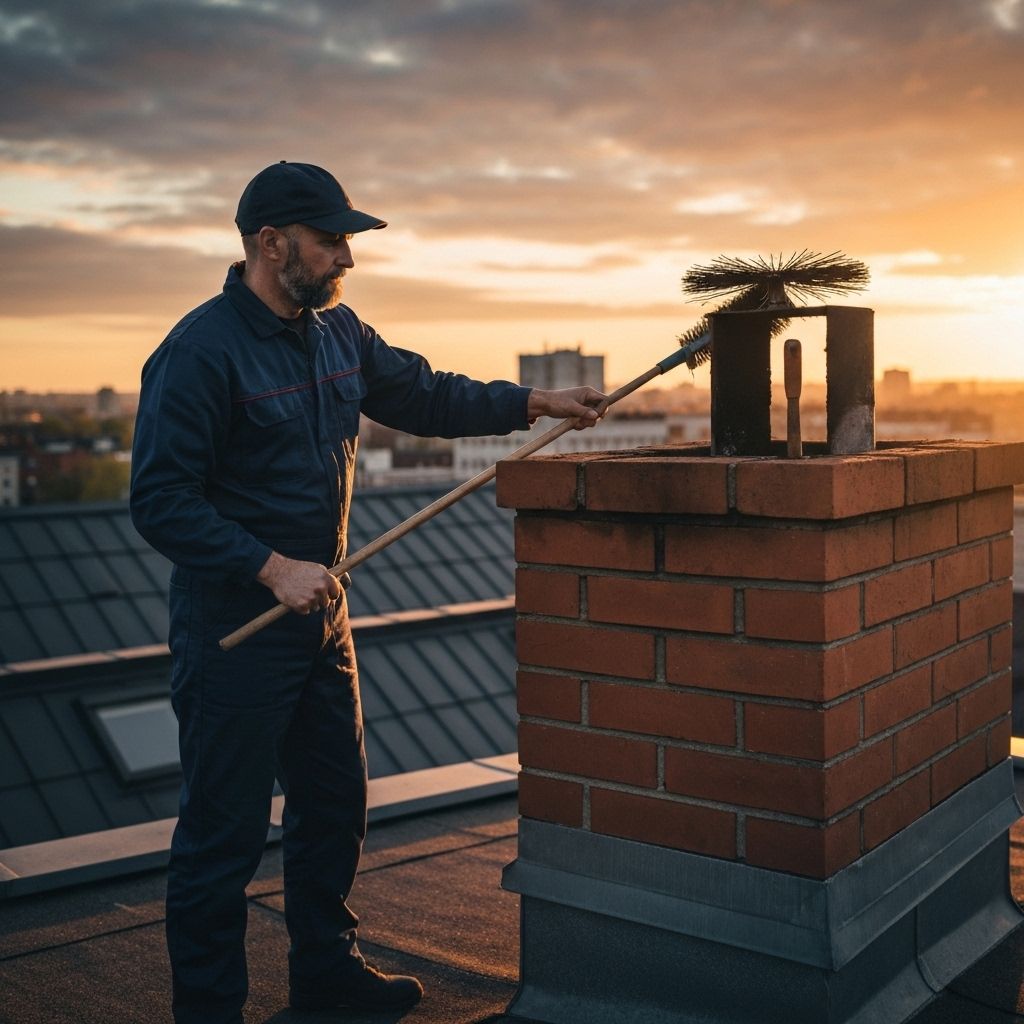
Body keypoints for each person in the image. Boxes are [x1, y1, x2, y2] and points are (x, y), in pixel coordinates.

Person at [129, 160, 605, 1024]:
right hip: (237, 626)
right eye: (331, 240)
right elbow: (160, 500)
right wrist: (271, 567)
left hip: (322, 619)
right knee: (222, 838)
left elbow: (423, 394)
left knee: (333, 807)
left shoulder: (338, 331)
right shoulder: (198, 352)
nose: (347, 257)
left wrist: (536, 400)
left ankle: (326, 980)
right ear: (272, 244)